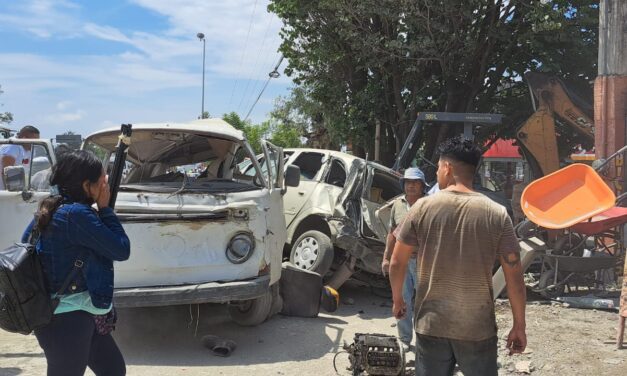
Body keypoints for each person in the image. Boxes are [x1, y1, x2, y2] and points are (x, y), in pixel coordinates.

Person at [389, 136, 526, 376]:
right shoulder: (496, 213)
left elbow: (397, 262)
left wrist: (398, 300)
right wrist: (519, 325)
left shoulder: (421, 208)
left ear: (447, 168)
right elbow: (514, 273)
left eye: (439, 167)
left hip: (431, 325)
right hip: (476, 328)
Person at [21, 150, 131, 376]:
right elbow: (121, 249)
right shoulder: (75, 215)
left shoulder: (52, 208)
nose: (105, 186)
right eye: (102, 181)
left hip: (75, 311)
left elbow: (27, 245)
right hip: (66, 316)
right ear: (86, 185)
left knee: (112, 369)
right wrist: (106, 209)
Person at [381, 167, 428, 351]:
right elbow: (391, 234)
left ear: (422, 186)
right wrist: (386, 258)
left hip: (422, 261)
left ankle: (425, 341)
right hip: (401, 262)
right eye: (408, 182)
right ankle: (405, 339)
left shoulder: (428, 204)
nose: (411, 186)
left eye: (415, 182)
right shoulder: (398, 205)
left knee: (424, 302)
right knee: (401, 299)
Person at [0, 125, 40, 189]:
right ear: (24, 138)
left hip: (20, 188)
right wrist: (10, 193)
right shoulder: (11, 146)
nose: (35, 143)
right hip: (4, 191)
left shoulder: (31, 148)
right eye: (34, 140)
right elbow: (6, 173)